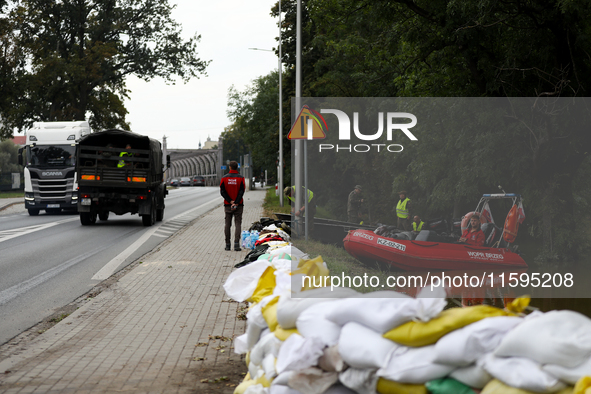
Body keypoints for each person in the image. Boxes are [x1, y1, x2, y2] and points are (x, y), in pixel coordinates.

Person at [220, 161, 245, 251]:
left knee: (227, 224)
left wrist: (230, 201)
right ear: (237, 167)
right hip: (239, 205)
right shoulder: (241, 178)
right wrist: (236, 202)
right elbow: (242, 191)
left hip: (227, 205)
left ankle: (227, 245)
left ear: (230, 167)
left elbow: (222, 191)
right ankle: (236, 244)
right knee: (237, 224)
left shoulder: (224, 178)